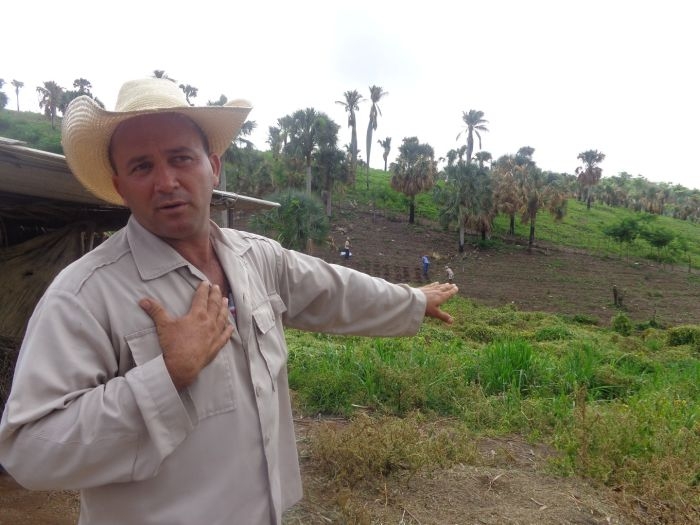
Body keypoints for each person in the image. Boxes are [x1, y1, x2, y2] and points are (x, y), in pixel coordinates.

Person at [0, 78, 458, 525]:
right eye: (141, 167)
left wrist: (412, 301)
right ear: (120, 186)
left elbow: (333, 288)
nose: (165, 181)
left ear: (212, 166)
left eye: (181, 158)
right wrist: (166, 377)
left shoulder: (255, 257)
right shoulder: (85, 294)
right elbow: (29, 449)